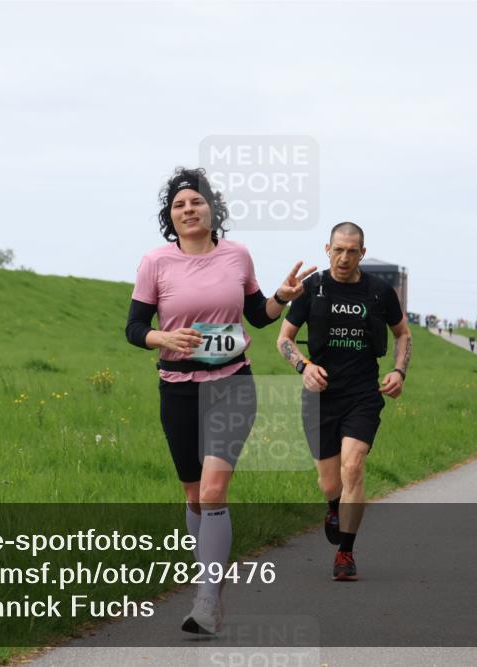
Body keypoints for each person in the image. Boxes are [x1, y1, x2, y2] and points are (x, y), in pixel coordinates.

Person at [125, 167, 315, 634]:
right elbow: (133, 329)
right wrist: (162, 336)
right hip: (177, 386)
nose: (188, 210)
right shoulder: (155, 262)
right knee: (193, 496)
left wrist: (281, 297)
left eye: (196, 201)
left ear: (213, 208)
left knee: (213, 491)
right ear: (170, 217)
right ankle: (206, 579)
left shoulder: (237, 255)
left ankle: (208, 599)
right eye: (178, 205)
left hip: (232, 382)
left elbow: (257, 315)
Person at [277, 222, 411, 582]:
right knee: (329, 483)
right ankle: (334, 507)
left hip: (362, 395)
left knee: (353, 467)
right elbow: (284, 339)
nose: (344, 257)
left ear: (362, 253)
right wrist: (303, 367)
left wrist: (399, 371)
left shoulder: (380, 292)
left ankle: (345, 553)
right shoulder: (312, 289)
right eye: (338, 249)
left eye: (352, 251)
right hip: (320, 395)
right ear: (327, 249)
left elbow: (402, 334)